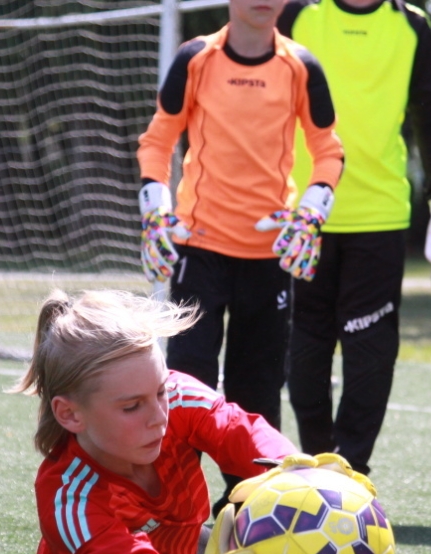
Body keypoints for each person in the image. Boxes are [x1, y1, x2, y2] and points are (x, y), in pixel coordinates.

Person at [13, 290, 358, 554]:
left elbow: (235, 428)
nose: (159, 415)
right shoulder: (68, 495)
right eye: (131, 407)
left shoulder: (171, 398)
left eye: (159, 391)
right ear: (70, 414)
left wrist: (292, 472)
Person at [136, 0, 345, 510]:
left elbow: (328, 151)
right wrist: (154, 208)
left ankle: (246, 507)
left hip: (269, 257)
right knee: (187, 384)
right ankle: (173, 505)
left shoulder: (301, 66)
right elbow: (157, 141)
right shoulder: (195, 58)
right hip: (199, 250)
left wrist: (313, 212)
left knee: (259, 386)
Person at [277, 0, 431, 476]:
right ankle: (317, 461)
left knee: (371, 351)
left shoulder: (413, 26)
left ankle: (350, 469)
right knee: (306, 346)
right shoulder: (297, 14)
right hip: (303, 215)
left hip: (380, 216)